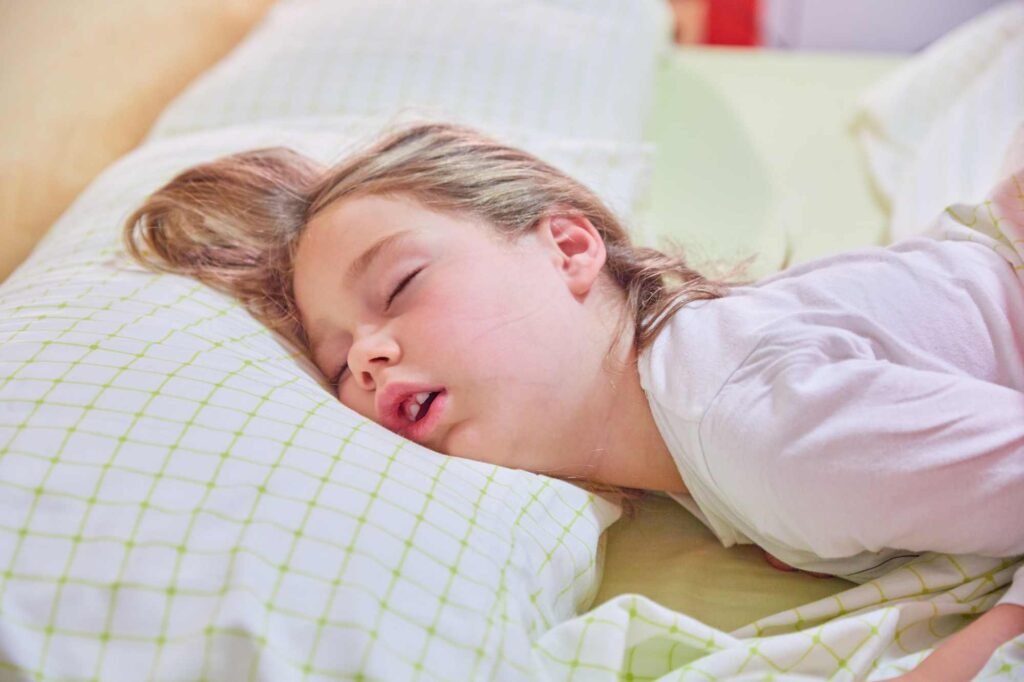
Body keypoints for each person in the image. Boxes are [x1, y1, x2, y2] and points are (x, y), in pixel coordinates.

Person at [124, 122, 1024, 680]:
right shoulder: (697, 408)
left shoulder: (758, 430)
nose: (367, 355)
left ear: (566, 248)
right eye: (334, 361)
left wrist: (978, 646)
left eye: (398, 287)